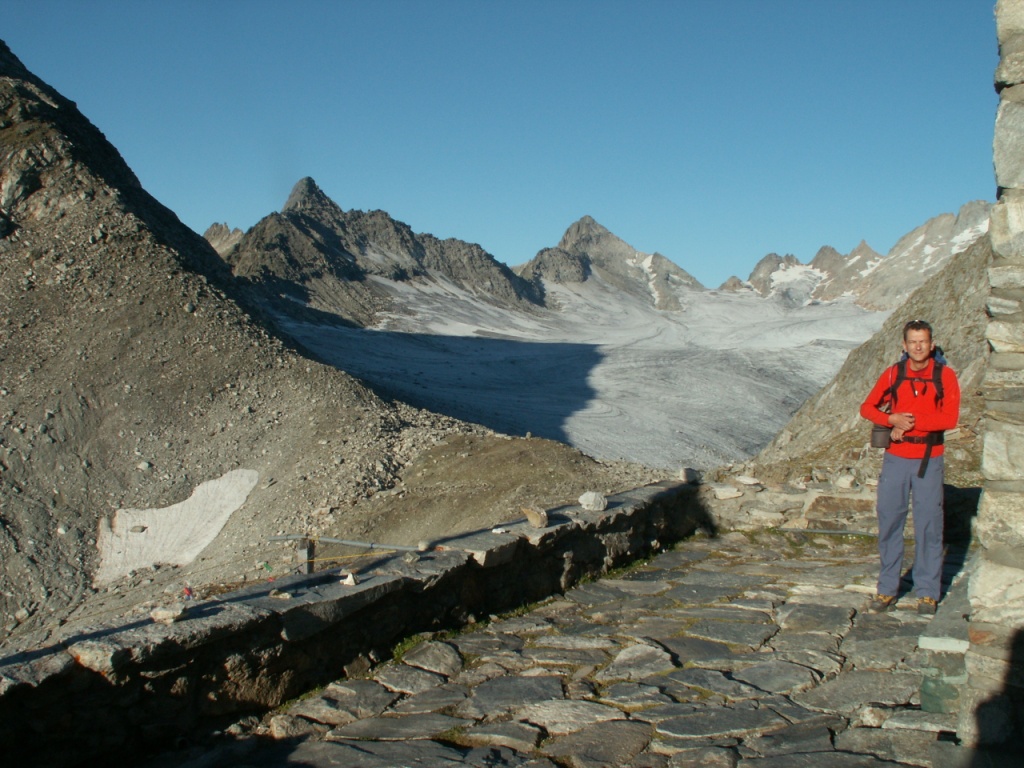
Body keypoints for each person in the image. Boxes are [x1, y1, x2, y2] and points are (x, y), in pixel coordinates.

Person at [859, 319, 961, 616]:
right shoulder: (894, 373)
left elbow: (950, 418)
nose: (918, 347)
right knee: (890, 520)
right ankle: (887, 588)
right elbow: (866, 407)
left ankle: (927, 592)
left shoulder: (945, 375)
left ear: (931, 344)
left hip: (929, 458)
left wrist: (909, 423)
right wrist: (891, 420)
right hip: (896, 458)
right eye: (913, 342)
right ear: (904, 345)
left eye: (923, 341)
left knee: (929, 525)